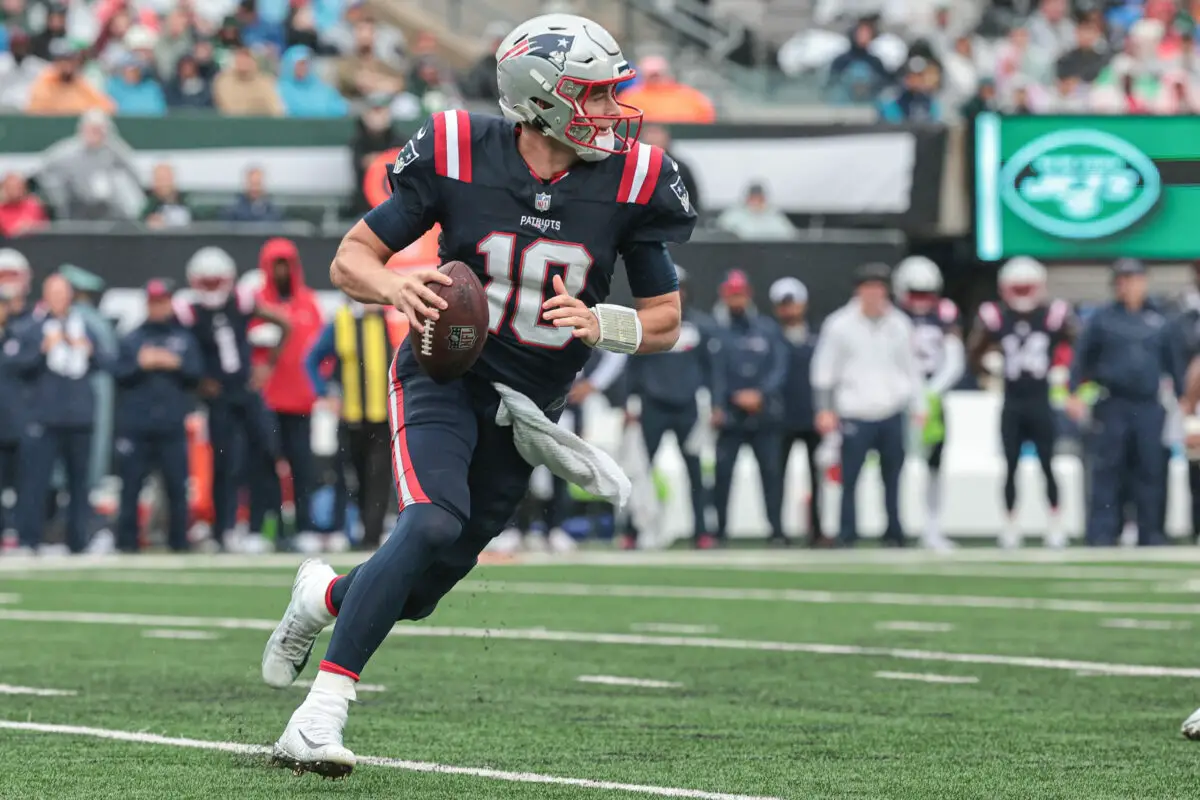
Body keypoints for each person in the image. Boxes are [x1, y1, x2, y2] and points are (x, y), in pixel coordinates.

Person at [259, 12, 695, 776]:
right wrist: (396, 285)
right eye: (592, 96)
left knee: (419, 592)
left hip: (529, 413)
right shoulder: (461, 149)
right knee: (427, 524)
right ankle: (318, 715)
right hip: (445, 375)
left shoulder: (635, 179)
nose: (611, 112)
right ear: (541, 99)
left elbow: (665, 321)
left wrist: (603, 321)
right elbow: (351, 258)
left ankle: (323, 599)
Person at [174, 246, 291, 551]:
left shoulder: (242, 300)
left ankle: (264, 527)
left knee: (265, 452)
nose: (212, 288)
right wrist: (198, 382)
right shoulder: (189, 310)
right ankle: (223, 529)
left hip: (246, 389)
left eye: (216, 281)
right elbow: (180, 351)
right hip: (218, 395)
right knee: (225, 462)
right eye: (207, 282)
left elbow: (283, 322)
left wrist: (267, 364)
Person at [1067, 258, 1185, 546]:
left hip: (1148, 405)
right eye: (1121, 280)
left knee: (1151, 469)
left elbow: (1175, 364)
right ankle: (1103, 533)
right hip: (1112, 403)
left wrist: (1185, 404)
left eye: (1132, 279)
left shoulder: (1161, 318)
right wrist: (1073, 394)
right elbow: (1081, 360)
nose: (1127, 286)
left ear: (1144, 281)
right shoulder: (1102, 319)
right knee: (1108, 470)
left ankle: (1152, 533)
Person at [811, 262, 926, 547]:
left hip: (891, 410)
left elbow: (911, 368)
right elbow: (823, 370)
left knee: (893, 477)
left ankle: (894, 532)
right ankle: (847, 533)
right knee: (849, 478)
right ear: (859, 290)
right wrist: (824, 408)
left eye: (879, 288)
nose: (874, 294)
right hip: (854, 411)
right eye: (869, 288)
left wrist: (918, 404)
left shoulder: (899, 324)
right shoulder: (840, 324)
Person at [969, 257, 1073, 549]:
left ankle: (1054, 524)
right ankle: (1011, 524)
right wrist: (988, 369)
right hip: (1013, 400)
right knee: (1010, 465)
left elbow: (1078, 346)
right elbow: (973, 353)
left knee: (1047, 465)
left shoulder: (1054, 315)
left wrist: (1063, 371)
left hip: (1040, 399)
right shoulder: (995, 316)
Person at [621, 264, 718, 549]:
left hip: (688, 407)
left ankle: (702, 531)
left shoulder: (700, 326)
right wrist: (629, 404)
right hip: (653, 407)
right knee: (638, 470)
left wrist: (713, 404)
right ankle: (631, 531)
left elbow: (711, 370)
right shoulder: (644, 324)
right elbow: (631, 367)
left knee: (696, 473)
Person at [11, 275, 109, 554]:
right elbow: (17, 366)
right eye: (53, 292)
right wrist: (42, 349)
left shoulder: (84, 326)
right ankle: (29, 539)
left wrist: (88, 350)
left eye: (62, 292)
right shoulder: (32, 327)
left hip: (79, 417)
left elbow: (107, 362)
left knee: (80, 484)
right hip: (44, 417)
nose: (58, 298)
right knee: (35, 483)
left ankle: (79, 540)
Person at [306, 298, 405, 551]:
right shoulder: (342, 322)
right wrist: (325, 392)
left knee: (379, 475)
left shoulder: (391, 321)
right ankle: (354, 529)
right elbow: (311, 359)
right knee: (355, 477)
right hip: (350, 418)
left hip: (383, 417)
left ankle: (371, 536)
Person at [112, 280, 201, 552]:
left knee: (176, 487)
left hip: (171, 425)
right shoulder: (132, 338)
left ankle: (179, 542)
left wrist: (175, 363)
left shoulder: (183, 337)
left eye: (162, 301)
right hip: (137, 426)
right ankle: (126, 543)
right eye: (153, 302)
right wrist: (141, 364)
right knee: (130, 488)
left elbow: (197, 373)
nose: (158, 307)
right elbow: (118, 373)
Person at [251, 238, 324, 551]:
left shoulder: (308, 303)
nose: (281, 271)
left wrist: (319, 387)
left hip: (300, 400)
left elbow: (322, 351)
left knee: (302, 466)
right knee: (264, 464)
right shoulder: (256, 304)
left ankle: (304, 527)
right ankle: (263, 529)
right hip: (266, 398)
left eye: (286, 264)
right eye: (275, 264)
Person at [711, 269, 787, 546]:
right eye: (731, 295)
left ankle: (776, 530)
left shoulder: (767, 328)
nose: (736, 300)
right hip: (731, 415)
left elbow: (779, 367)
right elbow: (715, 372)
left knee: (771, 474)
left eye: (740, 294)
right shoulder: (716, 330)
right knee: (722, 475)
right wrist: (723, 401)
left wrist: (760, 394)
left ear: (748, 295)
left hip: (763, 413)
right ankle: (719, 531)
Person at [891, 256, 963, 552]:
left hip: (934, 397)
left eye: (926, 294)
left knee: (934, 465)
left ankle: (932, 526)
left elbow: (954, 357)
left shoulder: (945, 313)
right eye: (914, 293)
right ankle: (894, 525)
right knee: (892, 464)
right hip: (898, 398)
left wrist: (932, 392)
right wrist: (910, 392)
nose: (921, 301)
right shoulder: (893, 317)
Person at [770, 277, 829, 548]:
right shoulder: (769, 335)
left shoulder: (819, 335)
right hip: (779, 417)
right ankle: (778, 531)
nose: (789, 309)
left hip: (812, 414)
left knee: (818, 478)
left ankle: (817, 529)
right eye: (784, 304)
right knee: (776, 476)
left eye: (793, 303)